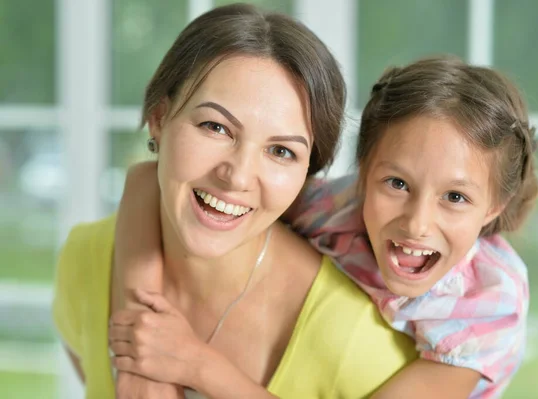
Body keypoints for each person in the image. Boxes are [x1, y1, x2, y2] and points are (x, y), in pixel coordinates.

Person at [115, 56, 538, 398]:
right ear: (362, 174)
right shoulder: (332, 209)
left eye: (455, 197)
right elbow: (144, 178)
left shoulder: (487, 301)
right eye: (396, 183)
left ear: (493, 208)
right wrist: (139, 361)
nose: (416, 223)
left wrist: (195, 364)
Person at [52, 4, 418, 399]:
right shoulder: (87, 259)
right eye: (216, 127)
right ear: (160, 118)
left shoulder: (354, 337)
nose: (238, 176)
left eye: (281, 152)